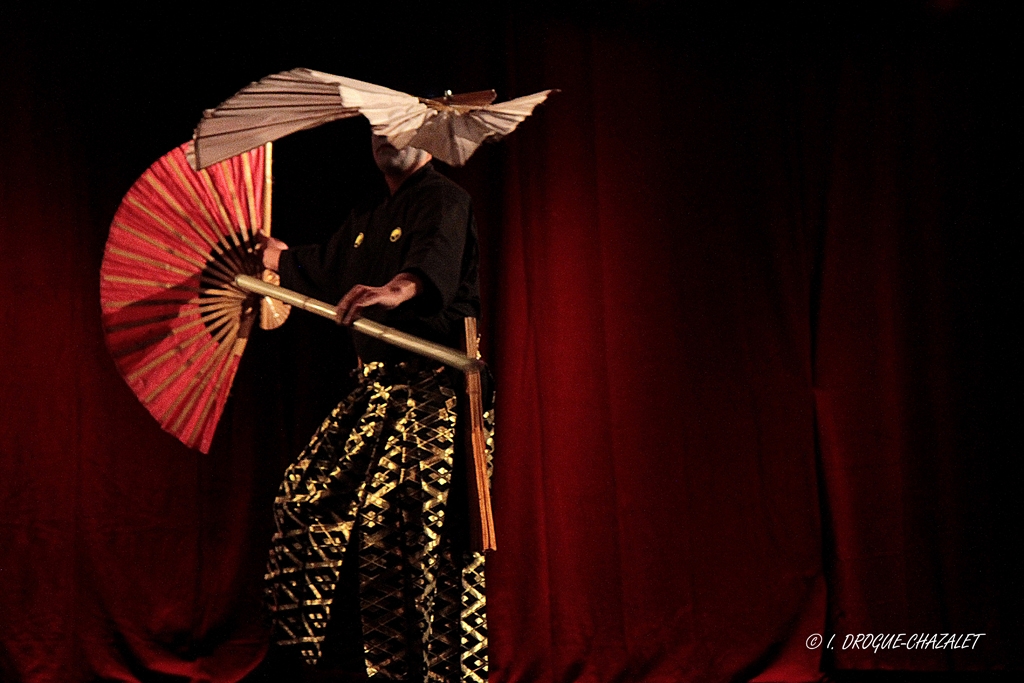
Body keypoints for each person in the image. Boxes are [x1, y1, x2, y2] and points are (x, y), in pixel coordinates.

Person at [260, 134, 489, 682]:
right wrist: (262, 253)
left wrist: (396, 290)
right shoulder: (368, 215)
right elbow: (316, 265)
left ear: (430, 139)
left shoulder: (445, 200)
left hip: (434, 395)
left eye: (405, 128)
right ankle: (300, 663)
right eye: (381, 128)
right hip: (374, 392)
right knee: (301, 500)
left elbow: (425, 266)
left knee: (407, 547)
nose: (392, 139)